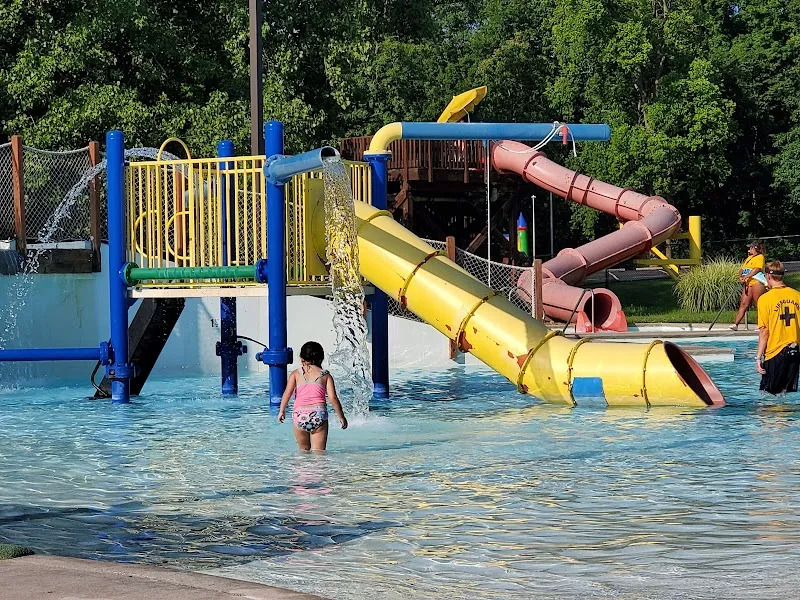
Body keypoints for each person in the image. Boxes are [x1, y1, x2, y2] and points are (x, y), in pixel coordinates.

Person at [278, 341, 348, 452]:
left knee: (303, 451)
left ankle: (302, 469)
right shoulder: (325, 375)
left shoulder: (296, 374)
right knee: (319, 454)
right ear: (321, 357)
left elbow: (287, 393)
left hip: (300, 415)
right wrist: (341, 417)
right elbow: (333, 398)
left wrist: (282, 411)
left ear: (302, 357)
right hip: (318, 414)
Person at [755, 261, 800, 394]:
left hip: (775, 352)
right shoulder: (797, 296)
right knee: (786, 393)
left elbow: (764, 331)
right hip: (795, 350)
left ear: (768, 276)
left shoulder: (765, 299)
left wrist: (758, 358)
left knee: (768, 394)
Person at [730, 241, 767, 330]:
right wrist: (740, 277)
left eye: (750, 248)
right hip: (748, 283)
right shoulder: (749, 258)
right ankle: (736, 324)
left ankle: (761, 324)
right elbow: (742, 269)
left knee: (758, 303)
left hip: (756, 282)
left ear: (755, 248)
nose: (748, 249)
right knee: (744, 303)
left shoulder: (760, 257)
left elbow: (757, 269)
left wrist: (746, 276)